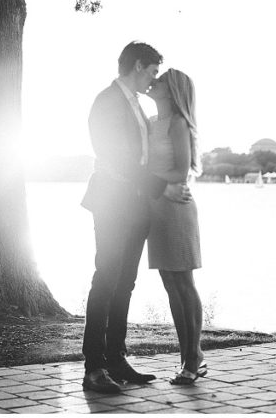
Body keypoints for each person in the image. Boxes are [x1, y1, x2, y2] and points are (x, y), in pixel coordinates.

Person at [80, 42, 191, 394]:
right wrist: (163, 188)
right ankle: (94, 367)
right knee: (105, 280)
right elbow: (116, 158)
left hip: (136, 205)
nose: (153, 80)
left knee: (125, 283)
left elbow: (142, 158)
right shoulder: (107, 102)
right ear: (139, 65)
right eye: (153, 72)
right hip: (112, 202)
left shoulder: (137, 107)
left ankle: (116, 359)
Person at [144, 69, 206, 385]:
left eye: (161, 80)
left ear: (172, 91)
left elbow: (181, 170)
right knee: (170, 283)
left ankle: (193, 358)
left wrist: (148, 181)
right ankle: (190, 356)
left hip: (176, 208)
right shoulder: (150, 123)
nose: (154, 82)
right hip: (156, 207)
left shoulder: (178, 123)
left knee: (183, 281)